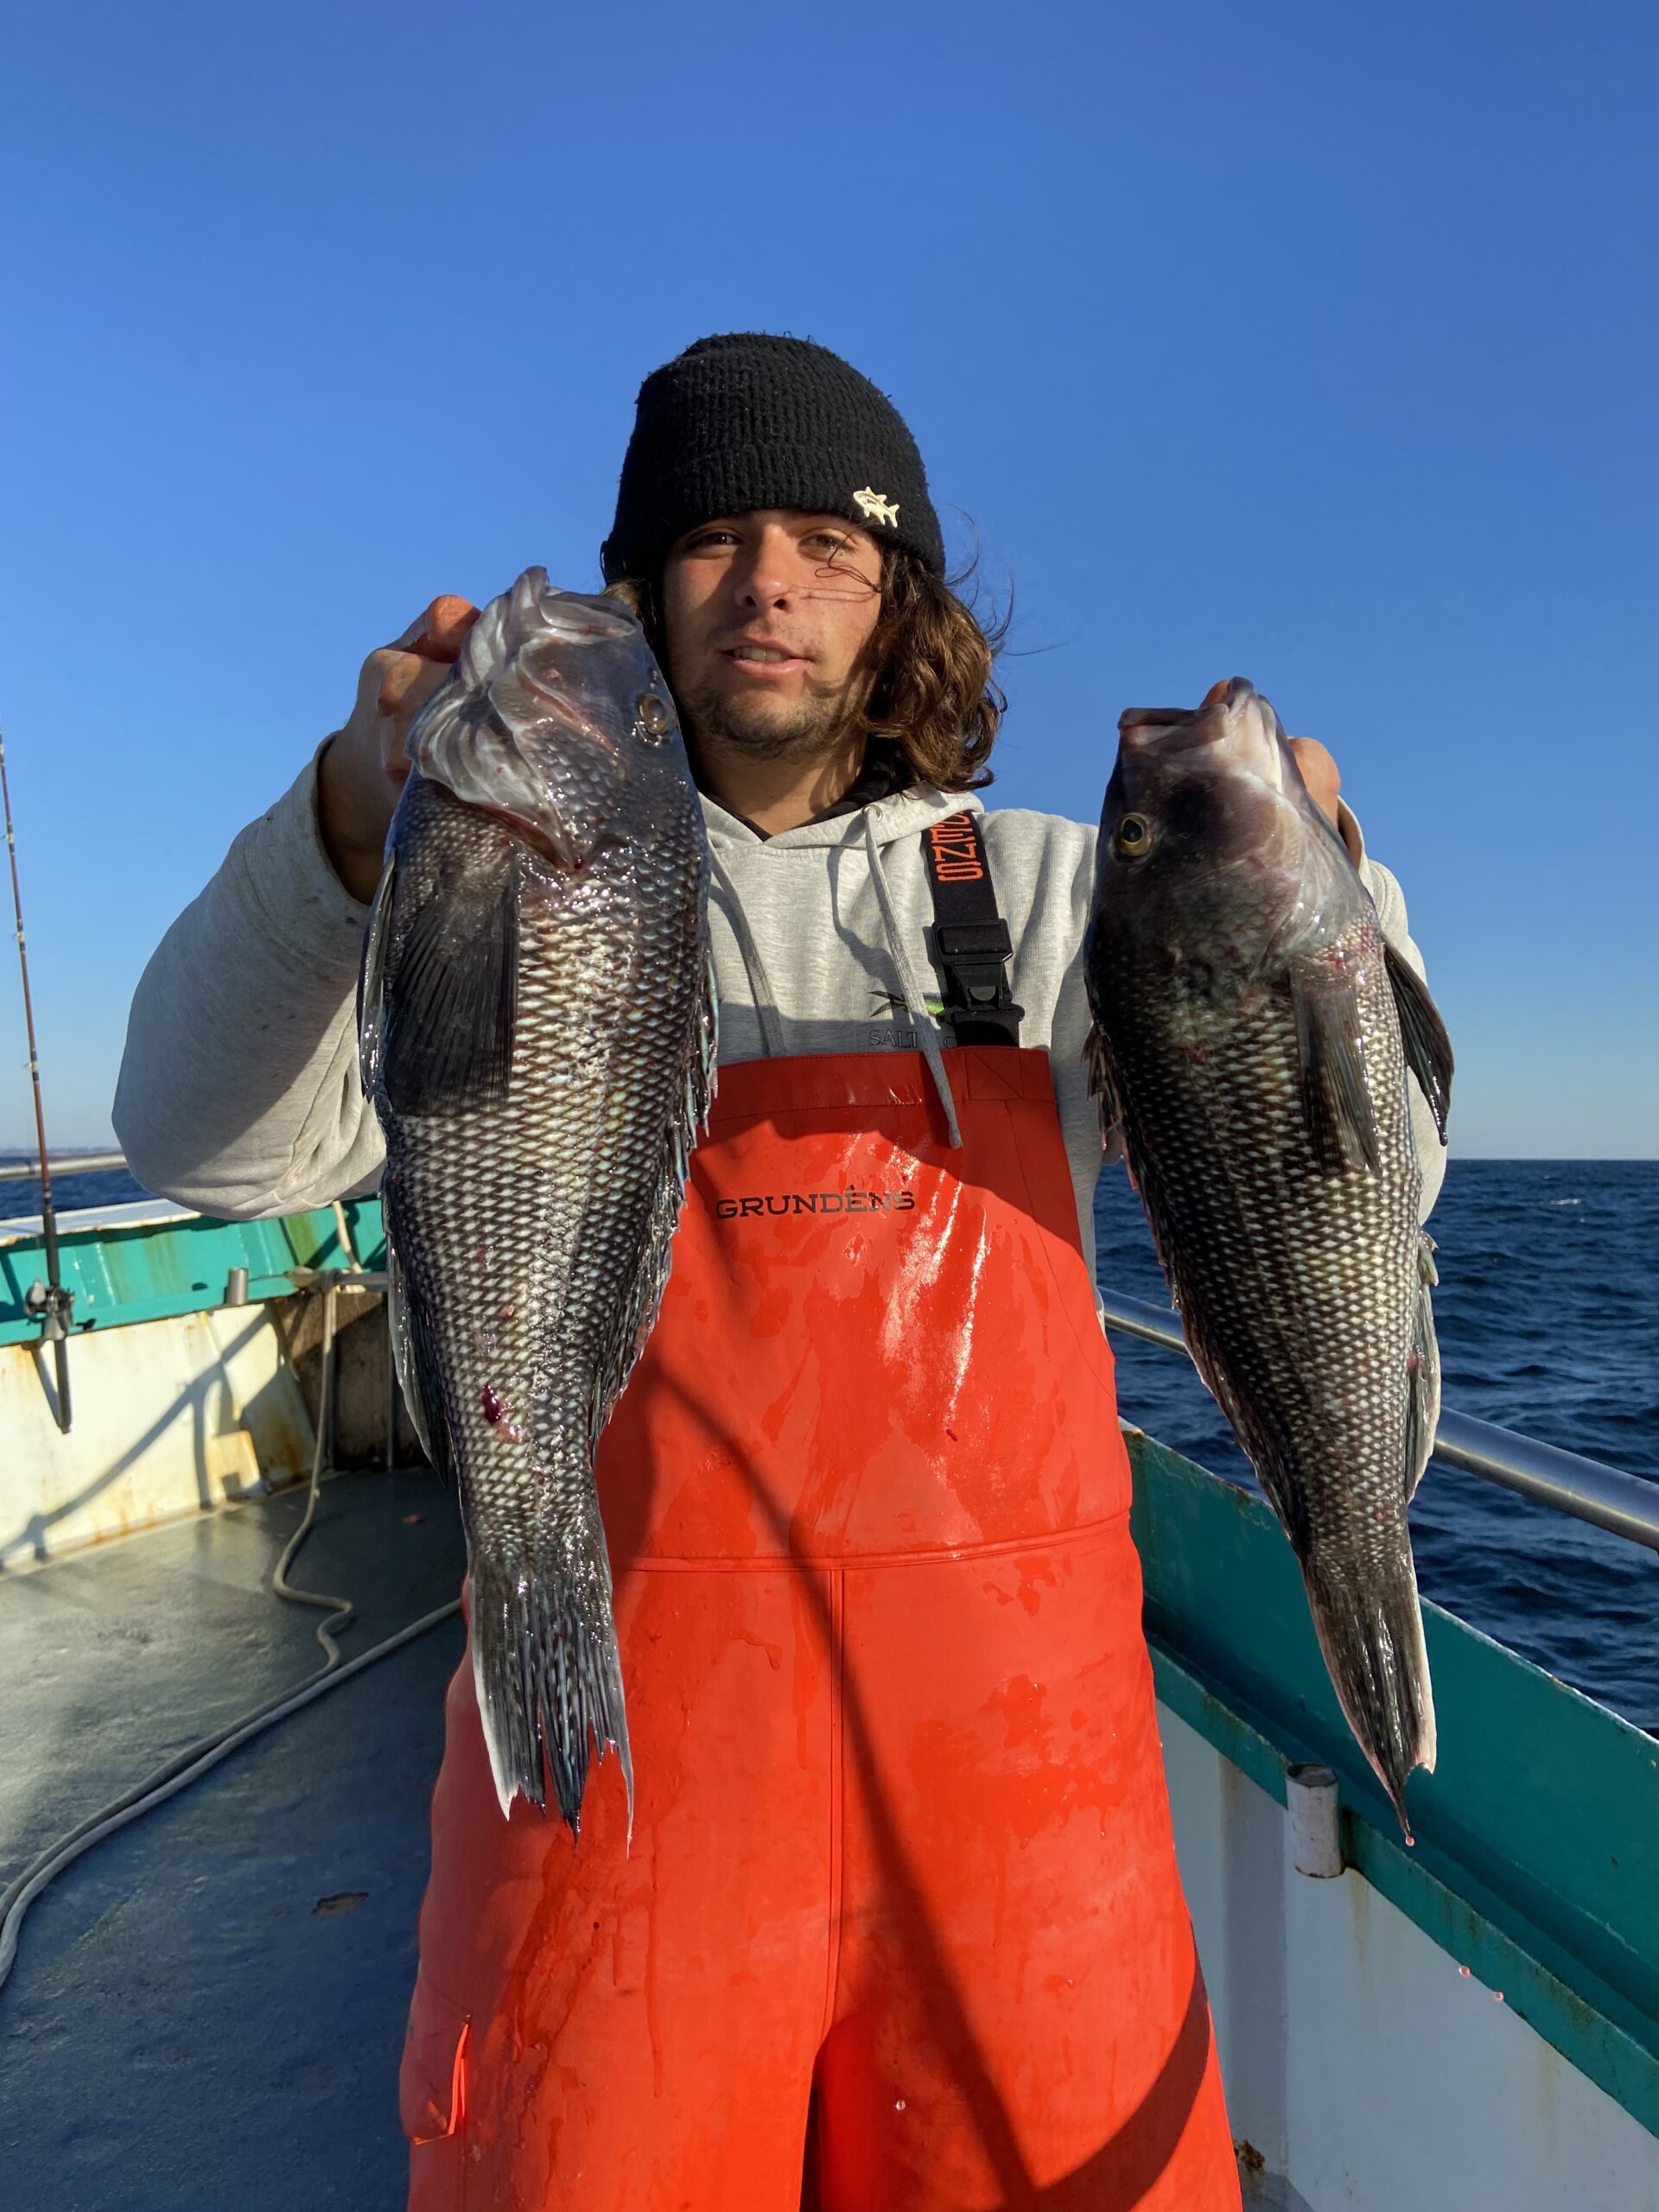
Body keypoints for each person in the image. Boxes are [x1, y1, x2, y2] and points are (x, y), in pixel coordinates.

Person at [115, 334, 1444, 2211]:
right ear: (647, 582)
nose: (770, 582)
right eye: (716, 534)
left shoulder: (1068, 893)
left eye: (825, 536)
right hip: (605, 1800)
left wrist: (1336, 897)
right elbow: (193, 1138)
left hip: (1023, 1802)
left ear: (895, 591)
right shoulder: (476, 863)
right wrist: (350, 819)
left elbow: (1356, 1183)